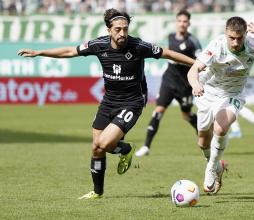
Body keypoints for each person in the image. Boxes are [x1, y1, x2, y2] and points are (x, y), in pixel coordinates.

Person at [18, 8, 195, 199]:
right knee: (97, 147)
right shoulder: (98, 45)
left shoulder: (138, 46)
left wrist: (196, 64)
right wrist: (40, 52)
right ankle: (99, 190)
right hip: (108, 101)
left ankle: (124, 150)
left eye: (125, 29)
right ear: (108, 29)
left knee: (103, 143)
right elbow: (70, 51)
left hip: (132, 103)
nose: (122, 33)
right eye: (118, 29)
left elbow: (168, 53)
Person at [187, 17, 254, 194]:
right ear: (226, 34)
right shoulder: (216, 46)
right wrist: (195, 85)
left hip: (233, 94)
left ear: (245, 34)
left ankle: (210, 168)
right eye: (231, 38)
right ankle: (216, 165)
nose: (235, 42)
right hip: (207, 91)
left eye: (239, 38)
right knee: (203, 141)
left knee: (221, 127)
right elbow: (194, 70)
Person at [135, 10, 201, 157]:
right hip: (169, 81)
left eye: (185, 21)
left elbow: (199, 61)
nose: (182, 24)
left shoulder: (193, 41)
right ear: (176, 22)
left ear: (188, 23)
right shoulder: (171, 36)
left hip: (185, 86)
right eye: (180, 21)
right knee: (158, 111)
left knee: (186, 115)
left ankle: (202, 132)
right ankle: (146, 146)